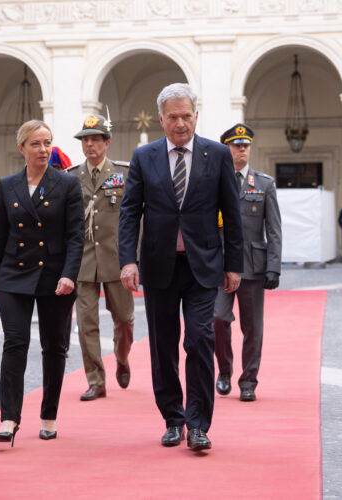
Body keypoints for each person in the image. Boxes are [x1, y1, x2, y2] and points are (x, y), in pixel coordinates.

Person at [118, 83, 244, 451]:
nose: (180, 123)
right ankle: (173, 418)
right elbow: (129, 213)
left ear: (196, 116)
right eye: (172, 117)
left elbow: (233, 216)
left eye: (186, 116)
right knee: (163, 346)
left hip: (203, 265)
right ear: (161, 119)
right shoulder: (144, 157)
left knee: (200, 339)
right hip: (159, 266)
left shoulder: (217, 155)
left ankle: (199, 423)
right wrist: (128, 260)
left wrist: (234, 265)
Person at [0, 119, 84, 445]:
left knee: (54, 347)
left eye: (47, 143)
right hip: (14, 275)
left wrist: (69, 274)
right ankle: (8, 418)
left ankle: (49, 415)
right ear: (22, 148)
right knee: (14, 343)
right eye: (36, 144)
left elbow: (75, 237)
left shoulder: (66, 185)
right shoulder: (8, 184)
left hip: (55, 276)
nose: (44, 150)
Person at [213, 123, 281, 402]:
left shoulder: (264, 184)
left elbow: (274, 228)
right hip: (219, 265)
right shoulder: (214, 181)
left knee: (253, 327)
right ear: (226, 148)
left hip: (253, 266)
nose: (242, 149)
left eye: (246, 145)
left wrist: (274, 266)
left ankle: (249, 380)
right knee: (217, 319)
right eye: (236, 145)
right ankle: (225, 371)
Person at [70, 115, 135, 401]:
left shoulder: (123, 173)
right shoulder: (72, 176)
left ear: (107, 143)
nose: (90, 144)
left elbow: (135, 219)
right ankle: (96, 380)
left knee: (124, 320)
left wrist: (134, 258)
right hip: (83, 261)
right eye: (85, 139)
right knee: (86, 324)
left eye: (95, 139)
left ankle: (122, 357)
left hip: (116, 259)